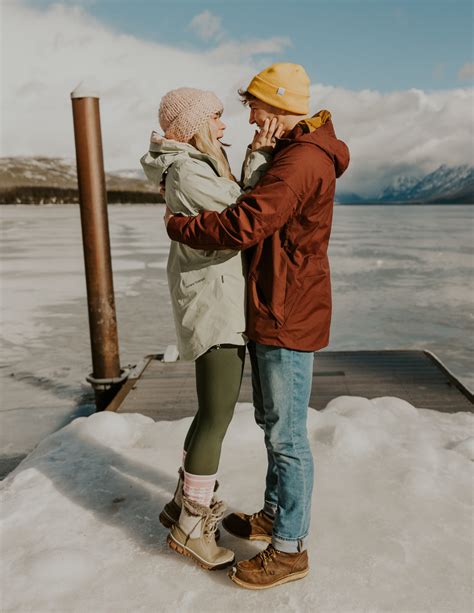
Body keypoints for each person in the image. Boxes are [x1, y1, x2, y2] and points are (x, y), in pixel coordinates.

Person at [165, 63, 350, 589]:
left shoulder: (302, 161)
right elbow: (255, 206)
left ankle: (289, 548)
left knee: (288, 436)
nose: (247, 117)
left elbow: (246, 222)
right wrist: (260, 155)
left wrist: (180, 227)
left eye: (253, 106)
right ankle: (273, 515)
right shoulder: (291, 153)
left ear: (277, 106)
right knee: (273, 424)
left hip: (287, 310)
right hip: (275, 304)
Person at [140, 87, 282, 571]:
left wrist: (251, 156)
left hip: (216, 300)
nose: (225, 126)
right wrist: (261, 155)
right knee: (217, 416)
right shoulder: (187, 170)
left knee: (209, 415)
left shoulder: (196, 165)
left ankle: (183, 505)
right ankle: (191, 528)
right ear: (194, 123)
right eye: (218, 118)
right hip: (214, 306)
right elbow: (248, 211)